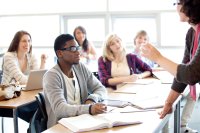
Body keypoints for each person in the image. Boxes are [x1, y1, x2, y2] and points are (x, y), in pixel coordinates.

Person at [140, 0, 200, 132]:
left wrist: (158, 58)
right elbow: (183, 72)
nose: (176, 7)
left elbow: (191, 74)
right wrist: (168, 103)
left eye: (177, 3)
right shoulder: (192, 33)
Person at [43, 33, 107, 128]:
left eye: (77, 48)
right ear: (59, 53)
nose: (78, 52)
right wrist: (89, 109)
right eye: (73, 49)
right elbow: (60, 109)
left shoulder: (80, 67)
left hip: (83, 122)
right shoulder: (51, 76)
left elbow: (101, 89)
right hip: (60, 127)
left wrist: (92, 98)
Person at [1, 30, 48, 122]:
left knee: (44, 106)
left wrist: (43, 62)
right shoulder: (9, 56)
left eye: (29, 41)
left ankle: (36, 128)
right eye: (24, 41)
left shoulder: (31, 56)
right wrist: (32, 80)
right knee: (37, 110)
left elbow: (38, 77)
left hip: (22, 94)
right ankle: (35, 128)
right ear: (17, 43)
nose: (27, 43)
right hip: (8, 97)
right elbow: (21, 79)